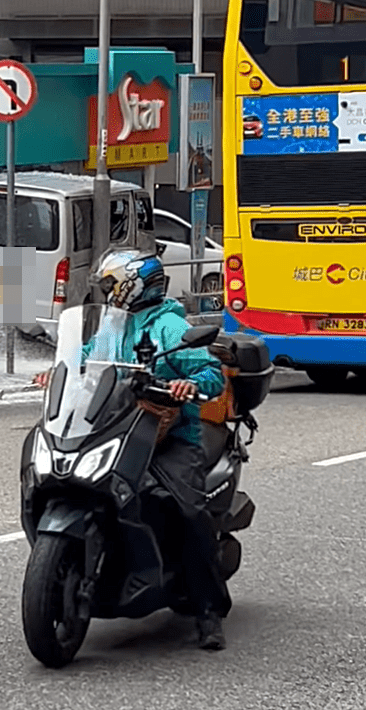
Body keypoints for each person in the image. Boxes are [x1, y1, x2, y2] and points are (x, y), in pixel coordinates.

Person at [89, 249, 231, 651]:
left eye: (111, 284)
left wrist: (189, 385)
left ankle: (208, 611)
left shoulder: (169, 324)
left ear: (133, 285)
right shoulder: (115, 325)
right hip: (116, 428)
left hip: (171, 435)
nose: (108, 292)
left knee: (187, 509)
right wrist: (59, 369)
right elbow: (87, 359)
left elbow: (210, 373)